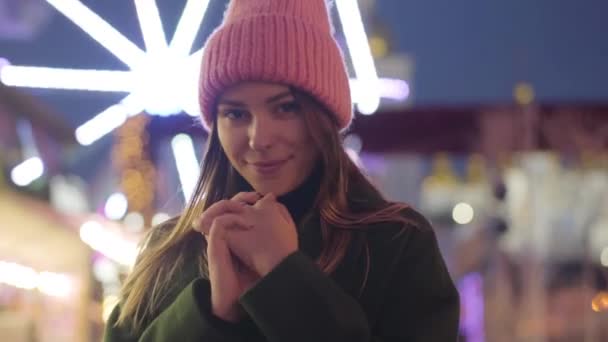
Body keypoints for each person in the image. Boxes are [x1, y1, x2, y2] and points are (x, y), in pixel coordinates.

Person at [103, 0, 460, 341]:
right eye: (236, 114)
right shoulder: (168, 251)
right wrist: (210, 314)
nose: (260, 139)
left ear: (324, 116)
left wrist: (284, 276)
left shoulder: (396, 244)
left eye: (286, 108)